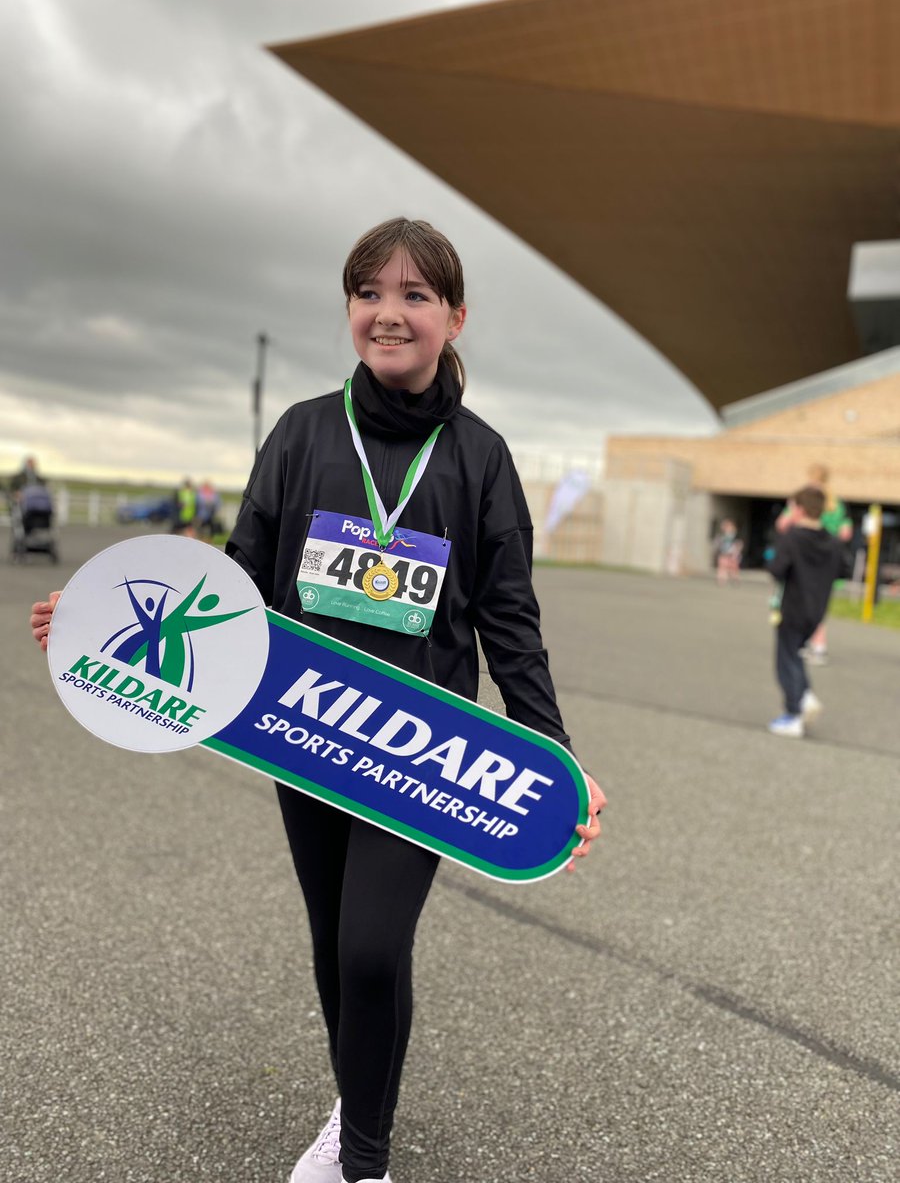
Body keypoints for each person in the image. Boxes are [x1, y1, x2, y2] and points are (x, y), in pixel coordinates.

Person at [30, 217, 606, 1183]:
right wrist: (97, 619)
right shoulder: (302, 432)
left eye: (415, 295)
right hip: (298, 731)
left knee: (374, 949)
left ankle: (364, 1159)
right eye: (369, 293)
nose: (389, 313)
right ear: (349, 308)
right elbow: (238, 583)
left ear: (455, 318)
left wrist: (551, 758)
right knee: (337, 945)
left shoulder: (481, 456)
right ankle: (358, 1099)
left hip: (422, 750)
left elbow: (510, 620)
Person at [766, 485, 844, 738]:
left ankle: (793, 714)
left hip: (793, 607)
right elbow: (843, 569)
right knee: (796, 654)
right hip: (817, 610)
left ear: (799, 509)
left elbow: (776, 569)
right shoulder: (833, 542)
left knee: (785, 659)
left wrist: (781, 534)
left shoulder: (792, 537)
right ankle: (805, 695)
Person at [775, 464, 851, 664]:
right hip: (826, 562)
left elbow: (782, 524)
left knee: (798, 605)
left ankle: (806, 645)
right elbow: (845, 533)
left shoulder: (803, 500)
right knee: (818, 604)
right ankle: (817, 645)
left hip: (803, 561)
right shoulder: (836, 503)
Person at [713, 518, 742, 584]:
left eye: (728, 526)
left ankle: (735, 578)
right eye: (725, 527)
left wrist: (737, 552)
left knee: (733, 568)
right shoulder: (720, 536)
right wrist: (716, 549)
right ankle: (721, 579)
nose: (726, 528)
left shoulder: (735, 536)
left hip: (732, 554)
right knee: (722, 567)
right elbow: (717, 543)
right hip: (723, 553)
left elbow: (739, 544)